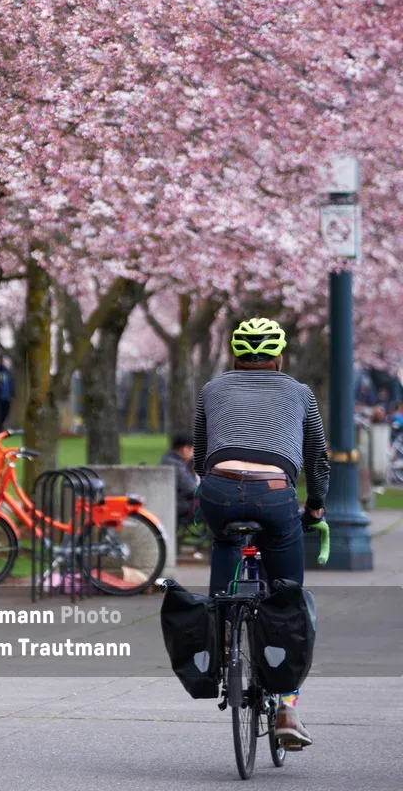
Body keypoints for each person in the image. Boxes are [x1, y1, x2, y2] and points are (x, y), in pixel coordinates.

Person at [193, 317, 328, 749]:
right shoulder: (299, 393)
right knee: (287, 595)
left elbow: (200, 453)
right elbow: (317, 458)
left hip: (218, 487)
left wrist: (219, 489)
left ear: (234, 355)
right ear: (278, 357)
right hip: (274, 494)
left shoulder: (212, 390)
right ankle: (287, 706)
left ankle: (223, 629)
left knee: (227, 541)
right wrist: (315, 505)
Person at [160, 432, 199, 541]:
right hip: (179, 505)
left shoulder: (170, 460)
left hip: (177, 502)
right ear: (185, 449)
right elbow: (191, 488)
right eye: (193, 449)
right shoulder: (175, 464)